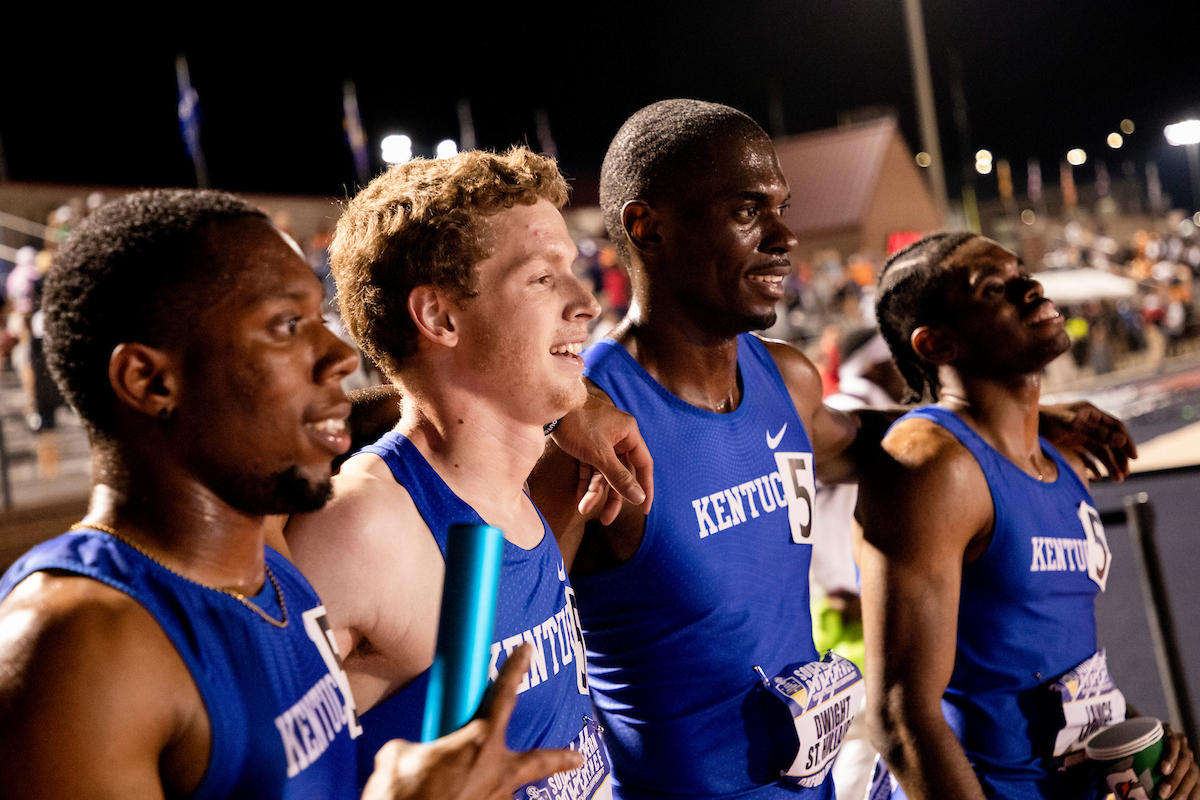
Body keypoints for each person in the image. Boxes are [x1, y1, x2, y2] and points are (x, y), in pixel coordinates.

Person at [529, 99, 1139, 800]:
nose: (786, 234)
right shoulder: (589, 431)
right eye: (747, 211)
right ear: (648, 227)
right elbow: (498, 649)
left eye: (782, 206)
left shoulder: (784, 382)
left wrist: (1022, 419)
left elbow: (882, 444)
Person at [0, 189, 583, 799]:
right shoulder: (79, 646)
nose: (336, 353)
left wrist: (571, 402)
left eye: (318, 318)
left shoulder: (264, 556)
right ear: (149, 379)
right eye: (287, 326)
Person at [285, 147, 644, 798]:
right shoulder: (361, 528)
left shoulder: (519, 485)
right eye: (542, 278)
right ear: (440, 317)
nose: (585, 302)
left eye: (571, 269)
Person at [858, 232, 1198, 799]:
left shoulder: (1064, 460)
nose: (1030, 286)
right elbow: (900, 719)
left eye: (1022, 272)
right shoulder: (933, 466)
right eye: (995, 288)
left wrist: (1140, 737)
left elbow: (1056, 663)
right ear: (937, 344)